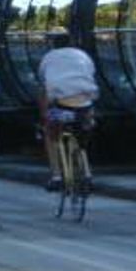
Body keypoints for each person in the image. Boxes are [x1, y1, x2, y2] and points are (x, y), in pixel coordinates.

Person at [37, 33, 99, 191]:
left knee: (51, 134)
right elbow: (91, 74)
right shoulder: (83, 55)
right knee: (82, 137)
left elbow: (44, 84)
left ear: (53, 45)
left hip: (63, 107)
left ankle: (57, 176)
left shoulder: (48, 57)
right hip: (85, 106)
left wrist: (44, 114)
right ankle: (87, 174)